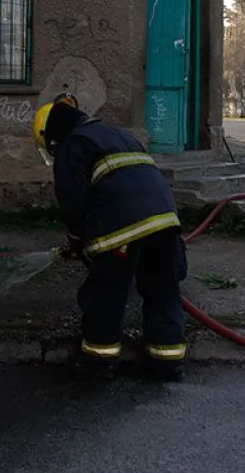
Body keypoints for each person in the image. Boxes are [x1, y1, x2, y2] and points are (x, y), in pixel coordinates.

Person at [31, 94, 189, 383]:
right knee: (163, 290)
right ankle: (168, 362)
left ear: (52, 137)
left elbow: (73, 200)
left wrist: (76, 240)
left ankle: (97, 363)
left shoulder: (73, 144)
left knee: (106, 294)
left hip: (122, 230)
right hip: (167, 223)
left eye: (50, 149)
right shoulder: (118, 134)